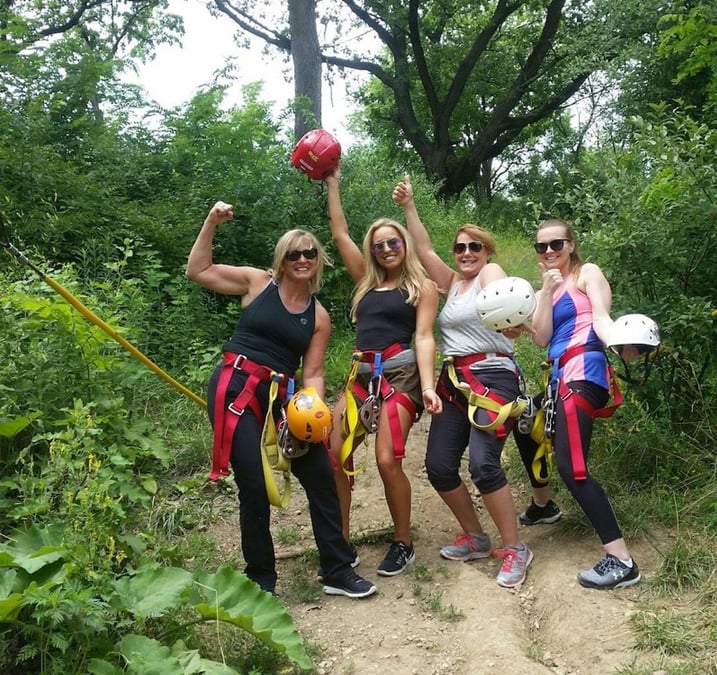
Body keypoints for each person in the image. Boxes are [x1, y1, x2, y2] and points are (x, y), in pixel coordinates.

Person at [186, 200, 376, 599]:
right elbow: (198, 271)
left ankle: (337, 569)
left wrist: (313, 410)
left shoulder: (318, 315)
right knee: (253, 482)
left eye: (309, 252)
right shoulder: (257, 283)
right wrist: (211, 223)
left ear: (318, 260)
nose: (302, 258)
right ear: (283, 259)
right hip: (236, 387)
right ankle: (261, 580)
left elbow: (313, 372)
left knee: (321, 474)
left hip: (284, 396)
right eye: (294, 253)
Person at [393, 176, 534, 588]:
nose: (467, 252)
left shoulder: (491, 273)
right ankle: (475, 536)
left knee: (483, 463)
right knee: (438, 465)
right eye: (461, 247)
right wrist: (409, 206)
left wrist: (512, 322)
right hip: (454, 377)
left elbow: (502, 297)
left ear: (487, 251)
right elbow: (422, 248)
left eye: (475, 246)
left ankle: (515, 548)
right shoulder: (453, 283)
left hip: (494, 375)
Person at [322, 167, 441, 577]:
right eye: (379, 245)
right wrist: (333, 182)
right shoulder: (366, 283)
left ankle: (403, 542)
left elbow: (424, 337)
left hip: (399, 376)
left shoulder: (421, 287)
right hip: (359, 377)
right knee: (334, 454)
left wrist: (427, 386)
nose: (387, 249)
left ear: (403, 245)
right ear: (371, 252)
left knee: (387, 460)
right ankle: (339, 542)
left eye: (393, 243)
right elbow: (339, 233)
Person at [512, 218, 641, 590]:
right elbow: (542, 339)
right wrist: (547, 293)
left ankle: (622, 560)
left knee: (573, 468)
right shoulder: (545, 291)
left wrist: (619, 343)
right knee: (526, 421)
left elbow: (600, 318)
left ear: (570, 245)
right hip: (559, 377)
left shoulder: (588, 272)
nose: (549, 251)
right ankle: (543, 505)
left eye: (556, 244)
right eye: (542, 247)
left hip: (582, 371)